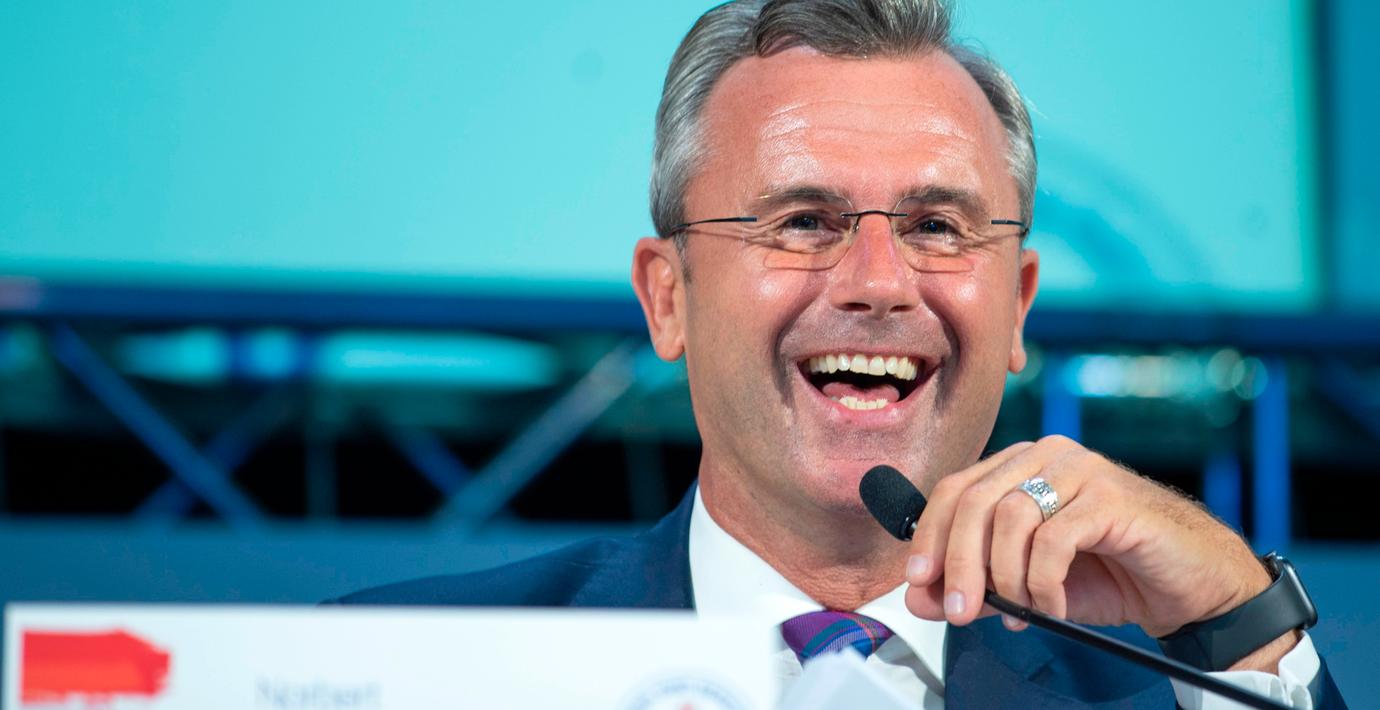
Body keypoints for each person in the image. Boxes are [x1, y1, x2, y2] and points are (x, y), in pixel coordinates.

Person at [336, 1, 1346, 706]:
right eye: (804, 220)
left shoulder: (1179, 687)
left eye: (938, 226)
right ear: (669, 297)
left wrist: (1241, 624)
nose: (879, 281)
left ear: (1018, 304)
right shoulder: (407, 674)